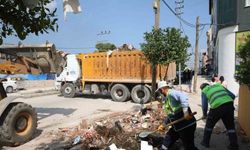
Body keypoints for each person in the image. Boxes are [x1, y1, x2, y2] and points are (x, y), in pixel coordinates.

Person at [156, 81, 198, 150]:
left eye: (160, 91)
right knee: (168, 137)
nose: (160, 93)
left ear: (162, 89)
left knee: (189, 146)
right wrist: (163, 124)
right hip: (177, 126)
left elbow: (183, 96)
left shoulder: (171, 93)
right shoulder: (167, 99)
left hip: (186, 126)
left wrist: (185, 112)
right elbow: (171, 115)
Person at [200, 83, 238, 150]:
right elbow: (232, 96)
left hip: (217, 107)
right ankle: (234, 146)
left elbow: (204, 104)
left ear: (202, 88)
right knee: (230, 126)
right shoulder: (219, 85)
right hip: (229, 105)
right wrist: (225, 100)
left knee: (209, 125)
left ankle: (205, 142)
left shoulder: (204, 90)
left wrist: (205, 114)